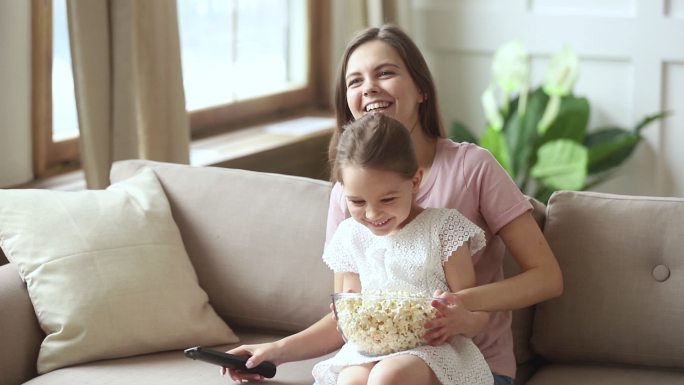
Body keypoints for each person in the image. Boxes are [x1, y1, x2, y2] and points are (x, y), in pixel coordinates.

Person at [225, 24, 562, 385]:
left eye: (384, 73)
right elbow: (351, 314)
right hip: (375, 360)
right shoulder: (346, 197)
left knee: (390, 377)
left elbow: (547, 277)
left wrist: (458, 306)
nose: (368, 87)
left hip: (469, 365)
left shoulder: (471, 168)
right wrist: (273, 351)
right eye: (355, 81)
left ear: (420, 89)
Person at [312, 113, 493, 385]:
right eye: (357, 201)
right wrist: (349, 321)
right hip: (371, 350)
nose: (372, 213)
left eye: (387, 199)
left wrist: (460, 321)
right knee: (350, 380)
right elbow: (351, 307)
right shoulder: (351, 236)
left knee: (388, 377)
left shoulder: (444, 229)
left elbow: (478, 313)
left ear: (415, 181)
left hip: (434, 350)